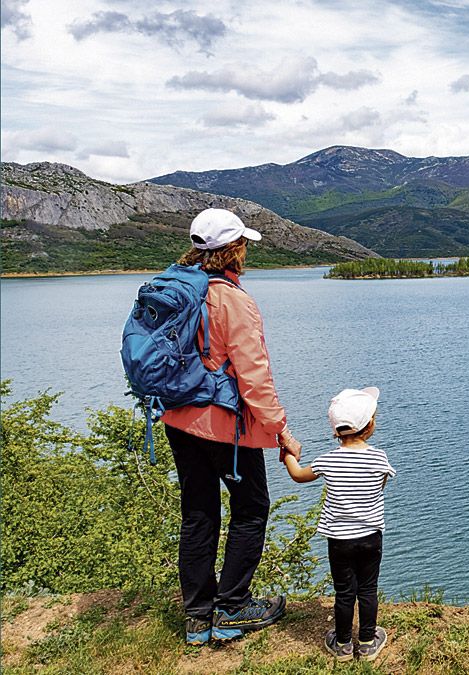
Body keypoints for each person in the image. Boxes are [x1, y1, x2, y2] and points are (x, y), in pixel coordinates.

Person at [161, 208, 303, 644]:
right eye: (244, 244)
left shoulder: (179, 287)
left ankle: (197, 618)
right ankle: (233, 606)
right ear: (234, 250)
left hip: (177, 417)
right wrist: (280, 429)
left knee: (199, 513)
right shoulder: (232, 299)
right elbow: (253, 375)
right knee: (251, 508)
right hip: (224, 427)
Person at [282, 386, 394, 662]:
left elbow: (298, 475)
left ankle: (343, 644)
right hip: (370, 536)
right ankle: (367, 642)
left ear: (335, 431)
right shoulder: (379, 458)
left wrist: (287, 454)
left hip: (339, 540)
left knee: (345, 591)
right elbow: (380, 484)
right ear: (370, 426)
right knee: (367, 589)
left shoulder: (327, 460)